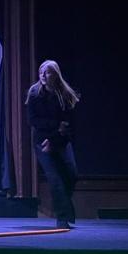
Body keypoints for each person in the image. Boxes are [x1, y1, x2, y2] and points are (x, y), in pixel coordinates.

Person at [25, 60, 80, 229]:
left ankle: (65, 206)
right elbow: (33, 120)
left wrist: (56, 136)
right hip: (42, 141)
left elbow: (69, 122)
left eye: (47, 72)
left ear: (55, 75)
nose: (43, 75)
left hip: (61, 140)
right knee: (55, 178)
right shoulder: (34, 94)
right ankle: (62, 217)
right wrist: (54, 128)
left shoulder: (64, 94)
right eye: (41, 72)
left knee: (71, 174)